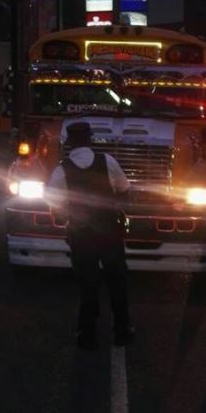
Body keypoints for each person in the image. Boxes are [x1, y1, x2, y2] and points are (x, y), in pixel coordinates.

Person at [47, 122, 134, 350]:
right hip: (110, 232)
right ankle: (122, 331)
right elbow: (124, 189)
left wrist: (65, 217)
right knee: (117, 281)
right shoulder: (108, 161)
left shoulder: (61, 170)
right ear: (90, 140)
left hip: (81, 235)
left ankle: (87, 335)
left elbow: (54, 204)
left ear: (69, 143)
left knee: (88, 284)